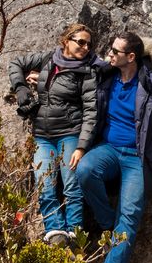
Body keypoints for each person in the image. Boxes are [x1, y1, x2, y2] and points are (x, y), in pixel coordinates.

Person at [77, 31, 152, 263]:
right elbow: (68, 60)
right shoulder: (106, 76)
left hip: (138, 158)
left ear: (132, 57)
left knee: (131, 213)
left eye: (115, 51)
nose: (109, 54)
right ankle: (107, 222)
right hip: (108, 149)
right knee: (85, 170)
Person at [8, 23, 101, 246]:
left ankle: (75, 234)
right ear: (66, 41)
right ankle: (55, 232)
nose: (85, 47)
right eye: (81, 42)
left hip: (70, 134)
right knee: (45, 185)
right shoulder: (50, 59)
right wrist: (20, 87)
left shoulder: (87, 73)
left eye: (89, 44)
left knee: (72, 186)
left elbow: (91, 112)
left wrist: (81, 146)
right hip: (42, 135)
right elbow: (16, 63)